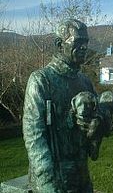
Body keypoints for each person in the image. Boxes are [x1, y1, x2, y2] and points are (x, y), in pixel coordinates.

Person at [23, 19, 104, 193]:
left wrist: (98, 121)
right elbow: (34, 136)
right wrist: (47, 181)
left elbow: (101, 117)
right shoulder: (41, 80)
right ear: (60, 44)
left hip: (81, 176)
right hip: (53, 180)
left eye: (86, 42)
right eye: (78, 42)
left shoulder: (84, 81)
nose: (84, 47)